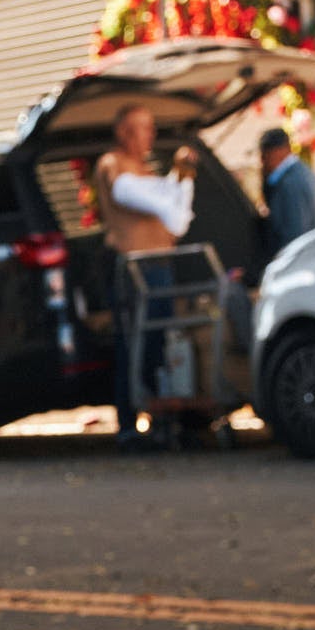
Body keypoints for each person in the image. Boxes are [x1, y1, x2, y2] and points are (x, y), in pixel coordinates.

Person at [93, 101, 196, 445]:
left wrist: (181, 180)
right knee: (131, 343)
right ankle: (127, 424)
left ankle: (161, 417)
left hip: (159, 268)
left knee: (160, 343)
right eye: (144, 127)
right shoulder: (114, 166)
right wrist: (173, 186)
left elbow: (177, 219)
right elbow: (148, 199)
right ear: (124, 132)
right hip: (132, 270)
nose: (150, 135)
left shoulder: (145, 171)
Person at [258, 124, 315, 253]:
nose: (262, 161)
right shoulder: (300, 172)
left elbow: (295, 232)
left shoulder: (291, 182)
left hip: (297, 257)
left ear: (280, 151)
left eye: (266, 155)